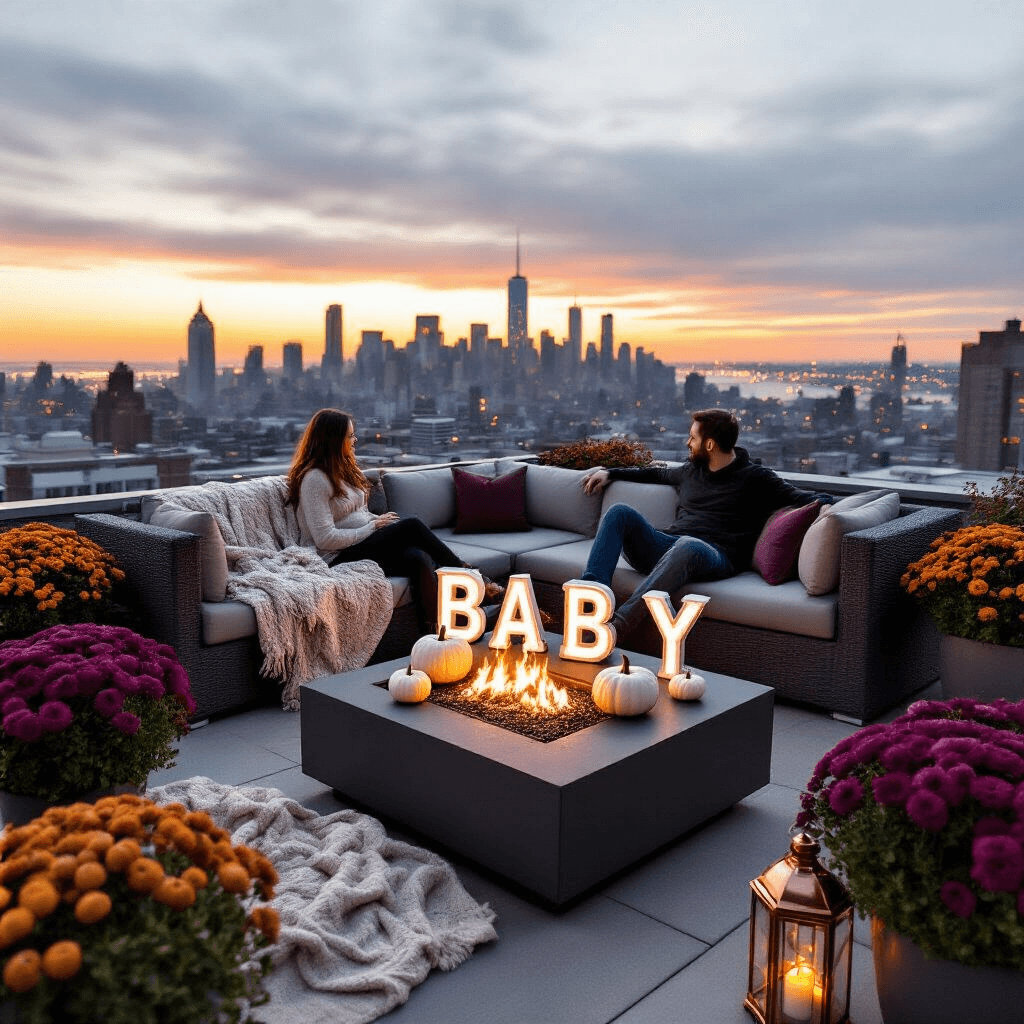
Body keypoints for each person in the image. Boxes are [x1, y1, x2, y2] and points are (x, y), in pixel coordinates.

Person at [579, 409, 834, 643]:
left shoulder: (756, 478)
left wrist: (825, 507)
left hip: (715, 556)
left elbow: (804, 497)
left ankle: (616, 629)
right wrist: (611, 473)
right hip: (667, 548)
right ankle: (587, 610)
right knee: (619, 512)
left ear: (709, 444)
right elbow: (655, 474)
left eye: (693, 437)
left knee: (688, 546)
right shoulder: (690, 471)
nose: (687, 442)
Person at [285, 409, 501, 633]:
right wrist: (372, 527)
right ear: (333, 440)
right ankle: (476, 580)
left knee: (417, 557)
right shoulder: (314, 479)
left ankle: (434, 629)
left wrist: (378, 521)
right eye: (349, 436)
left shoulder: (343, 470)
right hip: (334, 556)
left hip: (359, 544)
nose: (354, 440)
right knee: (412, 526)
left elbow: (357, 514)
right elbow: (324, 539)